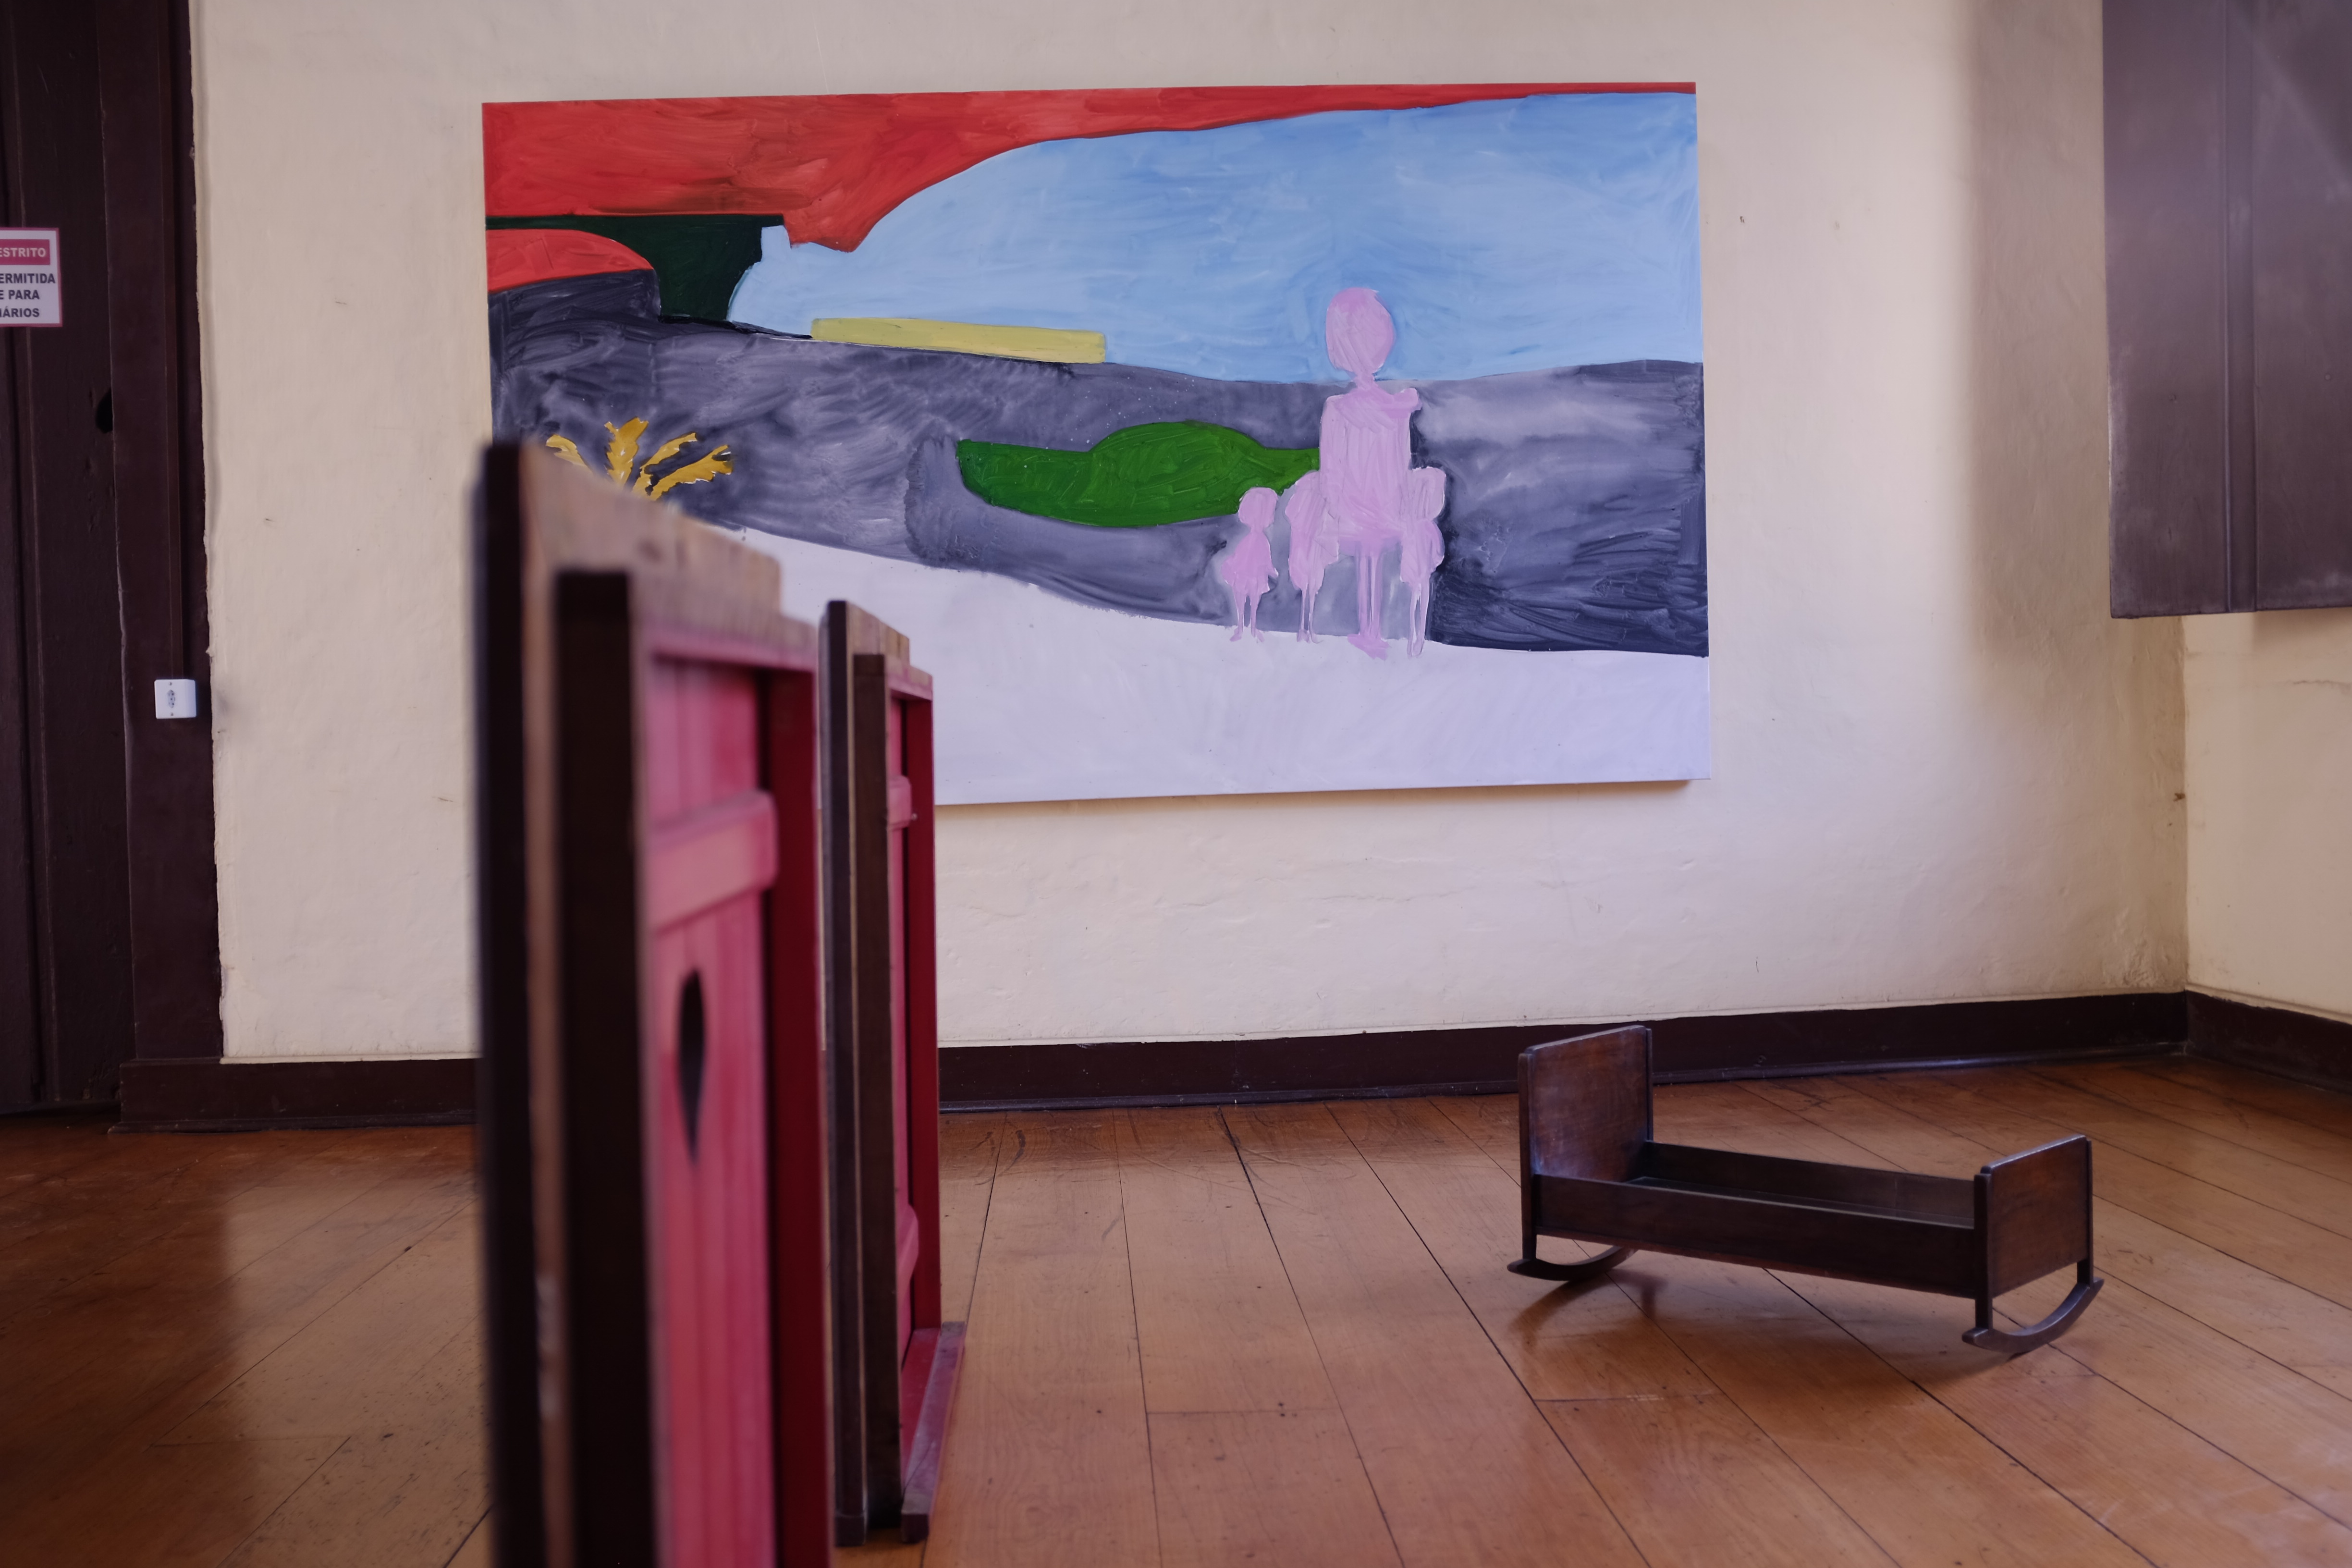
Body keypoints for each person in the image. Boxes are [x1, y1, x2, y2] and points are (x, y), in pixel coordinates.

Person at [1279, 288, 1446, 658]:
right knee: (1374, 558)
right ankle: (1373, 631)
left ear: (1339, 346)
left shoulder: (1337, 408)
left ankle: (1366, 630)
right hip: (1386, 506)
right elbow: (1401, 461)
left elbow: (1332, 466)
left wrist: (1334, 504)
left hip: (1352, 506)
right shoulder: (1395, 409)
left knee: (1365, 563)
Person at [1216, 486, 1279, 639]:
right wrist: (1272, 570)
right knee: (1248, 598)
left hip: (1251, 575)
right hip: (1248, 575)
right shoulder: (1258, 540)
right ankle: (1245, 627)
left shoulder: (1256, 540)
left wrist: (1270, 569)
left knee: (1249, 598)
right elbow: (1258, 558)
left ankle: (1248, 627)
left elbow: (1264, 559)